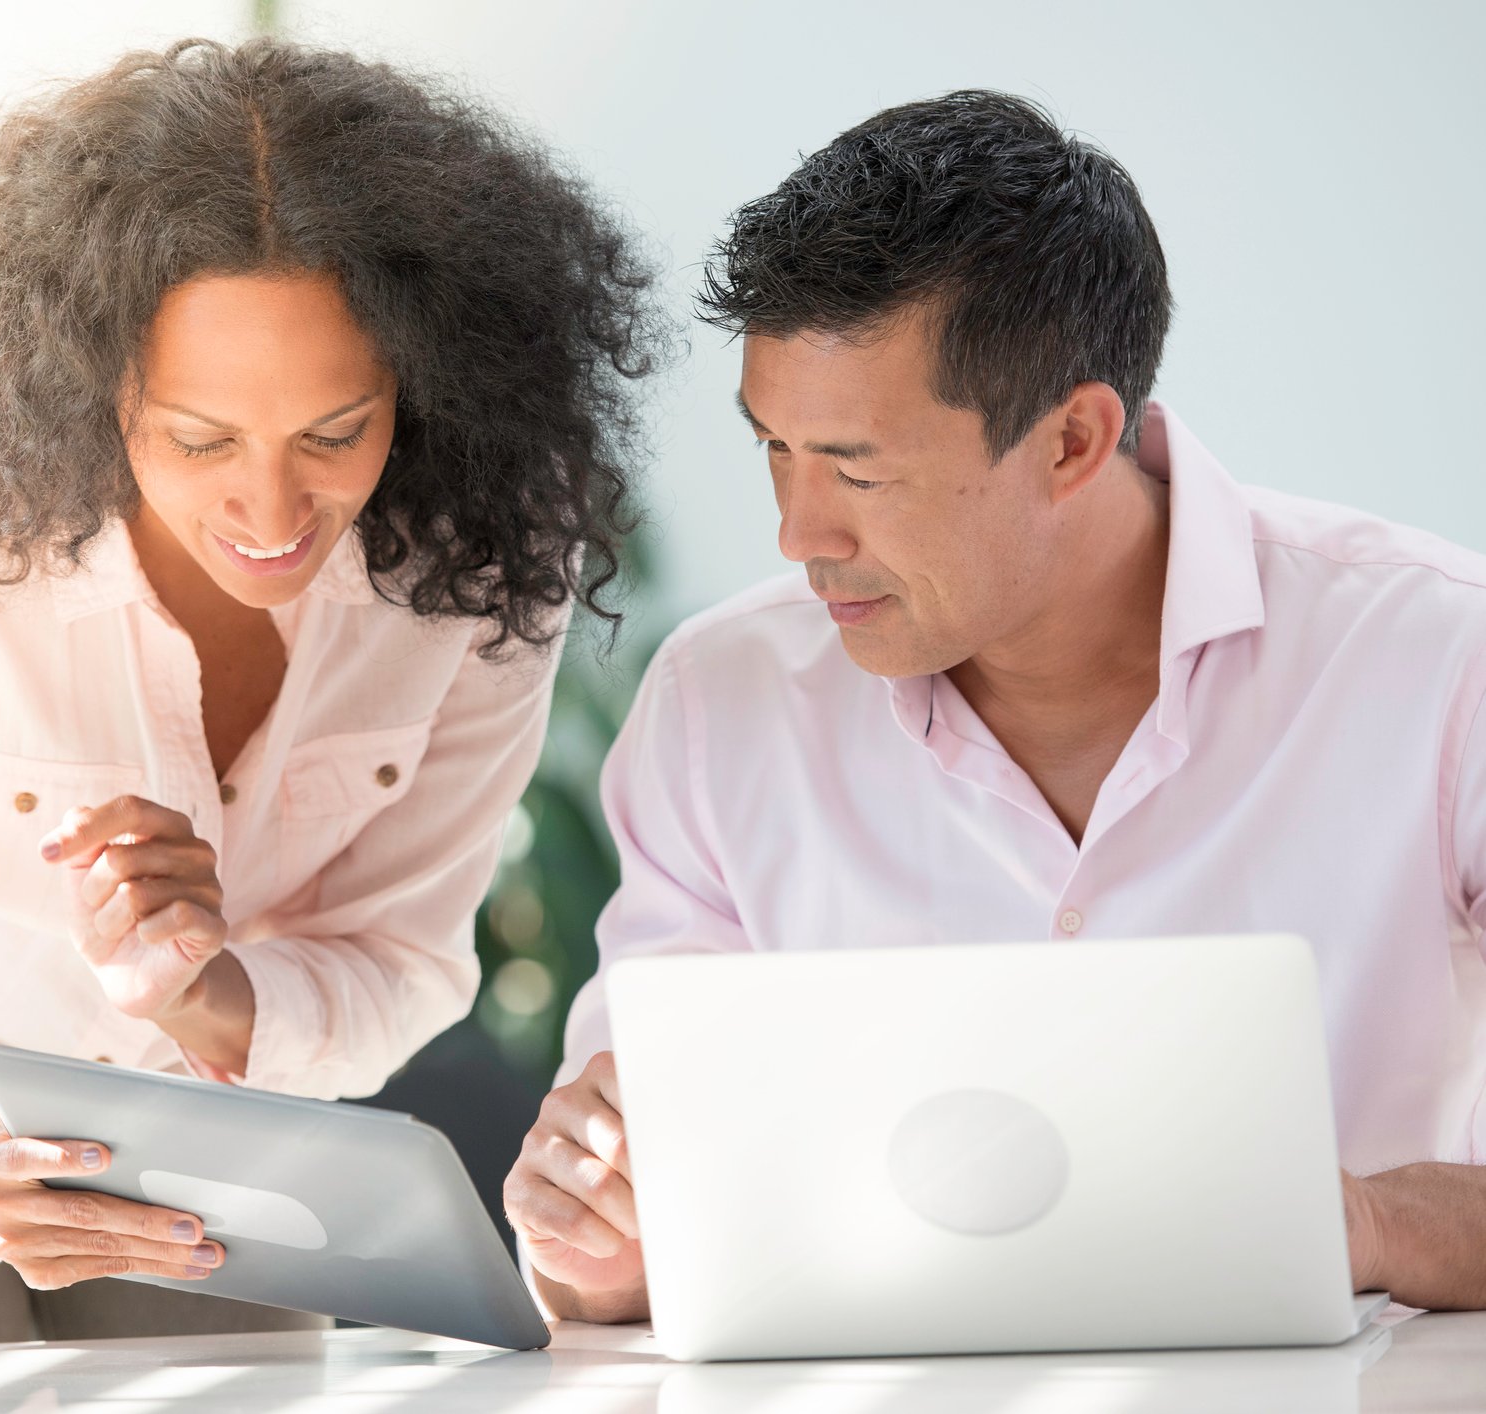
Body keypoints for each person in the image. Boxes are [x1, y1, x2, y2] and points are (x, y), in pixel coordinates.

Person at [0, 37, 659, 1362]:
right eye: (198, 438)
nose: (273, 512)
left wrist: (205, 990)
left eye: (335, 431)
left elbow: (396, 961)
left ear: (425, 383)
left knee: (231, 1389)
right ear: (88, 384)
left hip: (178, 1075)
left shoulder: (487, 543)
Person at [504, 90, 1486, 1324]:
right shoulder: (719, 706)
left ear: (1073, 440)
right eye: (773, 449)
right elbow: (636, 1233)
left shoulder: (1444, 660)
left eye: (857, 469)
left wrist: (1363, 1221)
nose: (798, 533)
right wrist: (595, 1241)